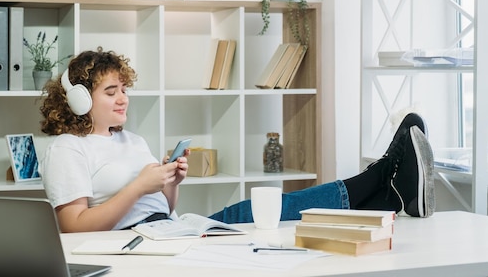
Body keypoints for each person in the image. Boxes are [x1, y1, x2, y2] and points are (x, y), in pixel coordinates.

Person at [39, 47, 435, 233]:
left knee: (267, 209)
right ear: (80, 98)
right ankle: (384, 180)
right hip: (136, 245)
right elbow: (73, 227)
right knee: (277, 211)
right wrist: (138, 185)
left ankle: (386, 192)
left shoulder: (134, 141)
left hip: (169, 229)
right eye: (111, 92)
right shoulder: (68, 149)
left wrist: (170, 183)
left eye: (124, 88)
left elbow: (161, 206)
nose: (123, 97)